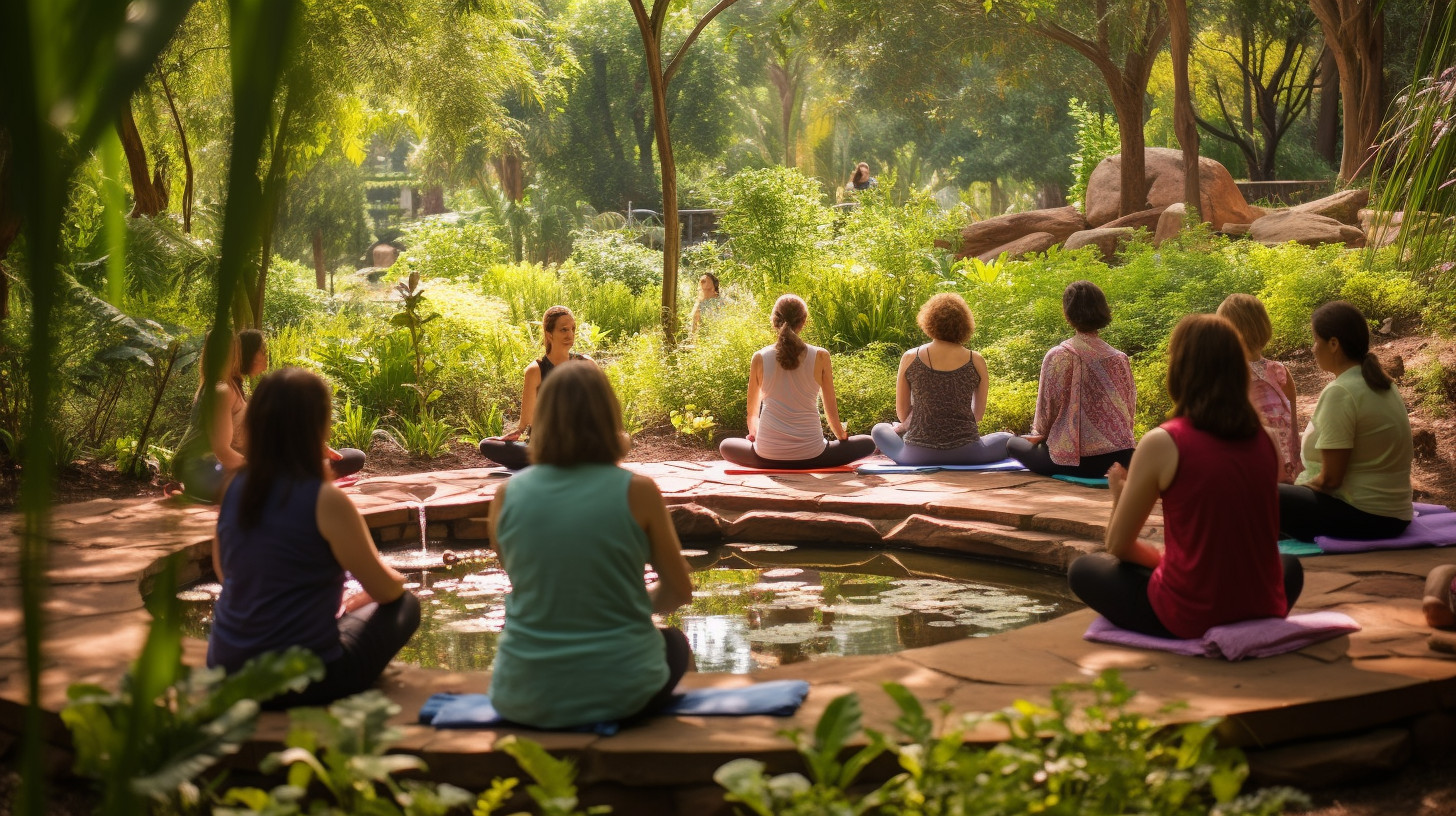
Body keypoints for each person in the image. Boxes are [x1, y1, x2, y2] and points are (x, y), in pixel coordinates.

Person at [1067, 314, 1303, 639]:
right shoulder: (1267, 439)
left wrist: (1119, 499)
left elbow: (1119, 546)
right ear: (1237, 370)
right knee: (1290, 568)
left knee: (1084, 569)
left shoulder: (1163, 442)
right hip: (1264, 604)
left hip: (1194, 614)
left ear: (1179, 370)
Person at [487, 361, 694, 729]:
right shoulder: (639, 491)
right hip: (622, 693)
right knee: (675, 643)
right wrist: (622, 606)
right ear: (607, 414)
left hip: (523, 697)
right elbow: (679, 589)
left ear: (544, 417)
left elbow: (530, 583)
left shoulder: (506, 495)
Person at [207, 368, 420, 707]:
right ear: (319, 426)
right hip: (302, 682)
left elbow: (225, 572)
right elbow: (386, 588)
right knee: (406, 604)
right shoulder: (326, 500)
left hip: (228, 672)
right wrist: (380, 588)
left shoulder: (232, 487)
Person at [1279, 301, 1412, 542]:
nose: (1312, 348)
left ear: (1333, 344)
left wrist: (1292, 493)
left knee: (1260, 496)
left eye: (1315, 340)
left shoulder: (1342, 392)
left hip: (1367, 516)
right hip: (1392, 516)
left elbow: (1331, 480)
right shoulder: (1378, 382)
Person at [719, 295, 876, 469]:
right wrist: (842, 437)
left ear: (774, 320)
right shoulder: (821, 356)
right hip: (813, 455)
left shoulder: (759, 357)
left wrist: (755, 437)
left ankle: (769, 458)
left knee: (726, 445)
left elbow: (752, 415)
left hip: (767, 455)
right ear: (804, 321)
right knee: (868, 443)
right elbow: (831, 414)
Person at [1007, 281, 1136, 478]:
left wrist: (1039, 435)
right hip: (1122, 457)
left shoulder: (1059, 355)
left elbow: (1045, 414)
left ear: (1067, 315)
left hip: (1076, 462)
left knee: (1012, 444)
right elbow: (1129, 407)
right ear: (1103, 310)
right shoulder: (1119, 358)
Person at [871, 293, 1015, 465]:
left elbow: (903, 415)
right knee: (1008, 438)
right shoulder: (976, 360)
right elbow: (977, 415)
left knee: (879, 429)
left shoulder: (910, 357)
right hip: (969, 454)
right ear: (965, 324)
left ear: (928, 321)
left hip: (916, 456)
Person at [239, 327, 367, 480]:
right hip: (268, 465)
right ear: (250, 354)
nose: (267, 356)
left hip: (273, 460)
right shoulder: (227, 391)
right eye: (263, 351)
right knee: (353, 457)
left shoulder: (242, 388)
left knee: (350, 455)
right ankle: (306, 473)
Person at [479, 305, 589, 470]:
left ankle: (561, 461)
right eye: (563, 330)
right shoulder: (535, 370)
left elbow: (599, 411)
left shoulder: (586, 364)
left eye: (572, 329)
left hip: (580, 443)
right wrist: (516, 434)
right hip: (546, 446)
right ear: (549, 333)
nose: (570, 334)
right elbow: (526, 423)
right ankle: (558, 461)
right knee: (487, 445)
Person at [1217, 294, 1301, 484]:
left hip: (1251, 468)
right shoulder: (1279, 370)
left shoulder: (1227, 375)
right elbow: (1292, 425)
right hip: (1286, 466)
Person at [173, 332, 249, 502]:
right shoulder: (221, 390)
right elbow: (222, 450)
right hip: (201, 470)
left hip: (197, 466)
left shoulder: (221, 385)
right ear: (235, 352)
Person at [689, 273, 723, 339]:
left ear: (714, 287)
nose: (702, 283)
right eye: (701, 282)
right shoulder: (699, 303)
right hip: (703, 339)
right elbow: (694, 326)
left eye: (704, 281)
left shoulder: (722, 302)